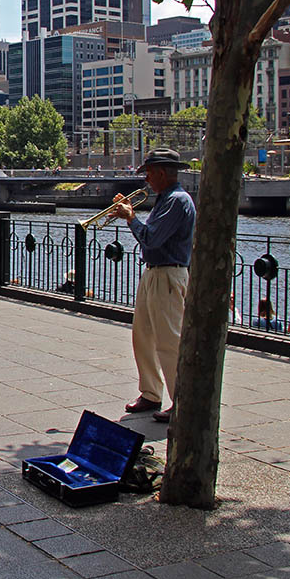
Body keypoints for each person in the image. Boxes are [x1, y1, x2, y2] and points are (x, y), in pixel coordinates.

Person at [110, 147, 196, 424]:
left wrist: (130, 217)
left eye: (148, 173)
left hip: (168, 275)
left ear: (160, 172)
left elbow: (152, 238)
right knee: (143, 336)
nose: (146, 179)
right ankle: (150, 392)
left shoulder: (177, 201)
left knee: (168, 341)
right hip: (154, 273)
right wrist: (131, 214)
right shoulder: (166, 199)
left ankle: (179, 401)